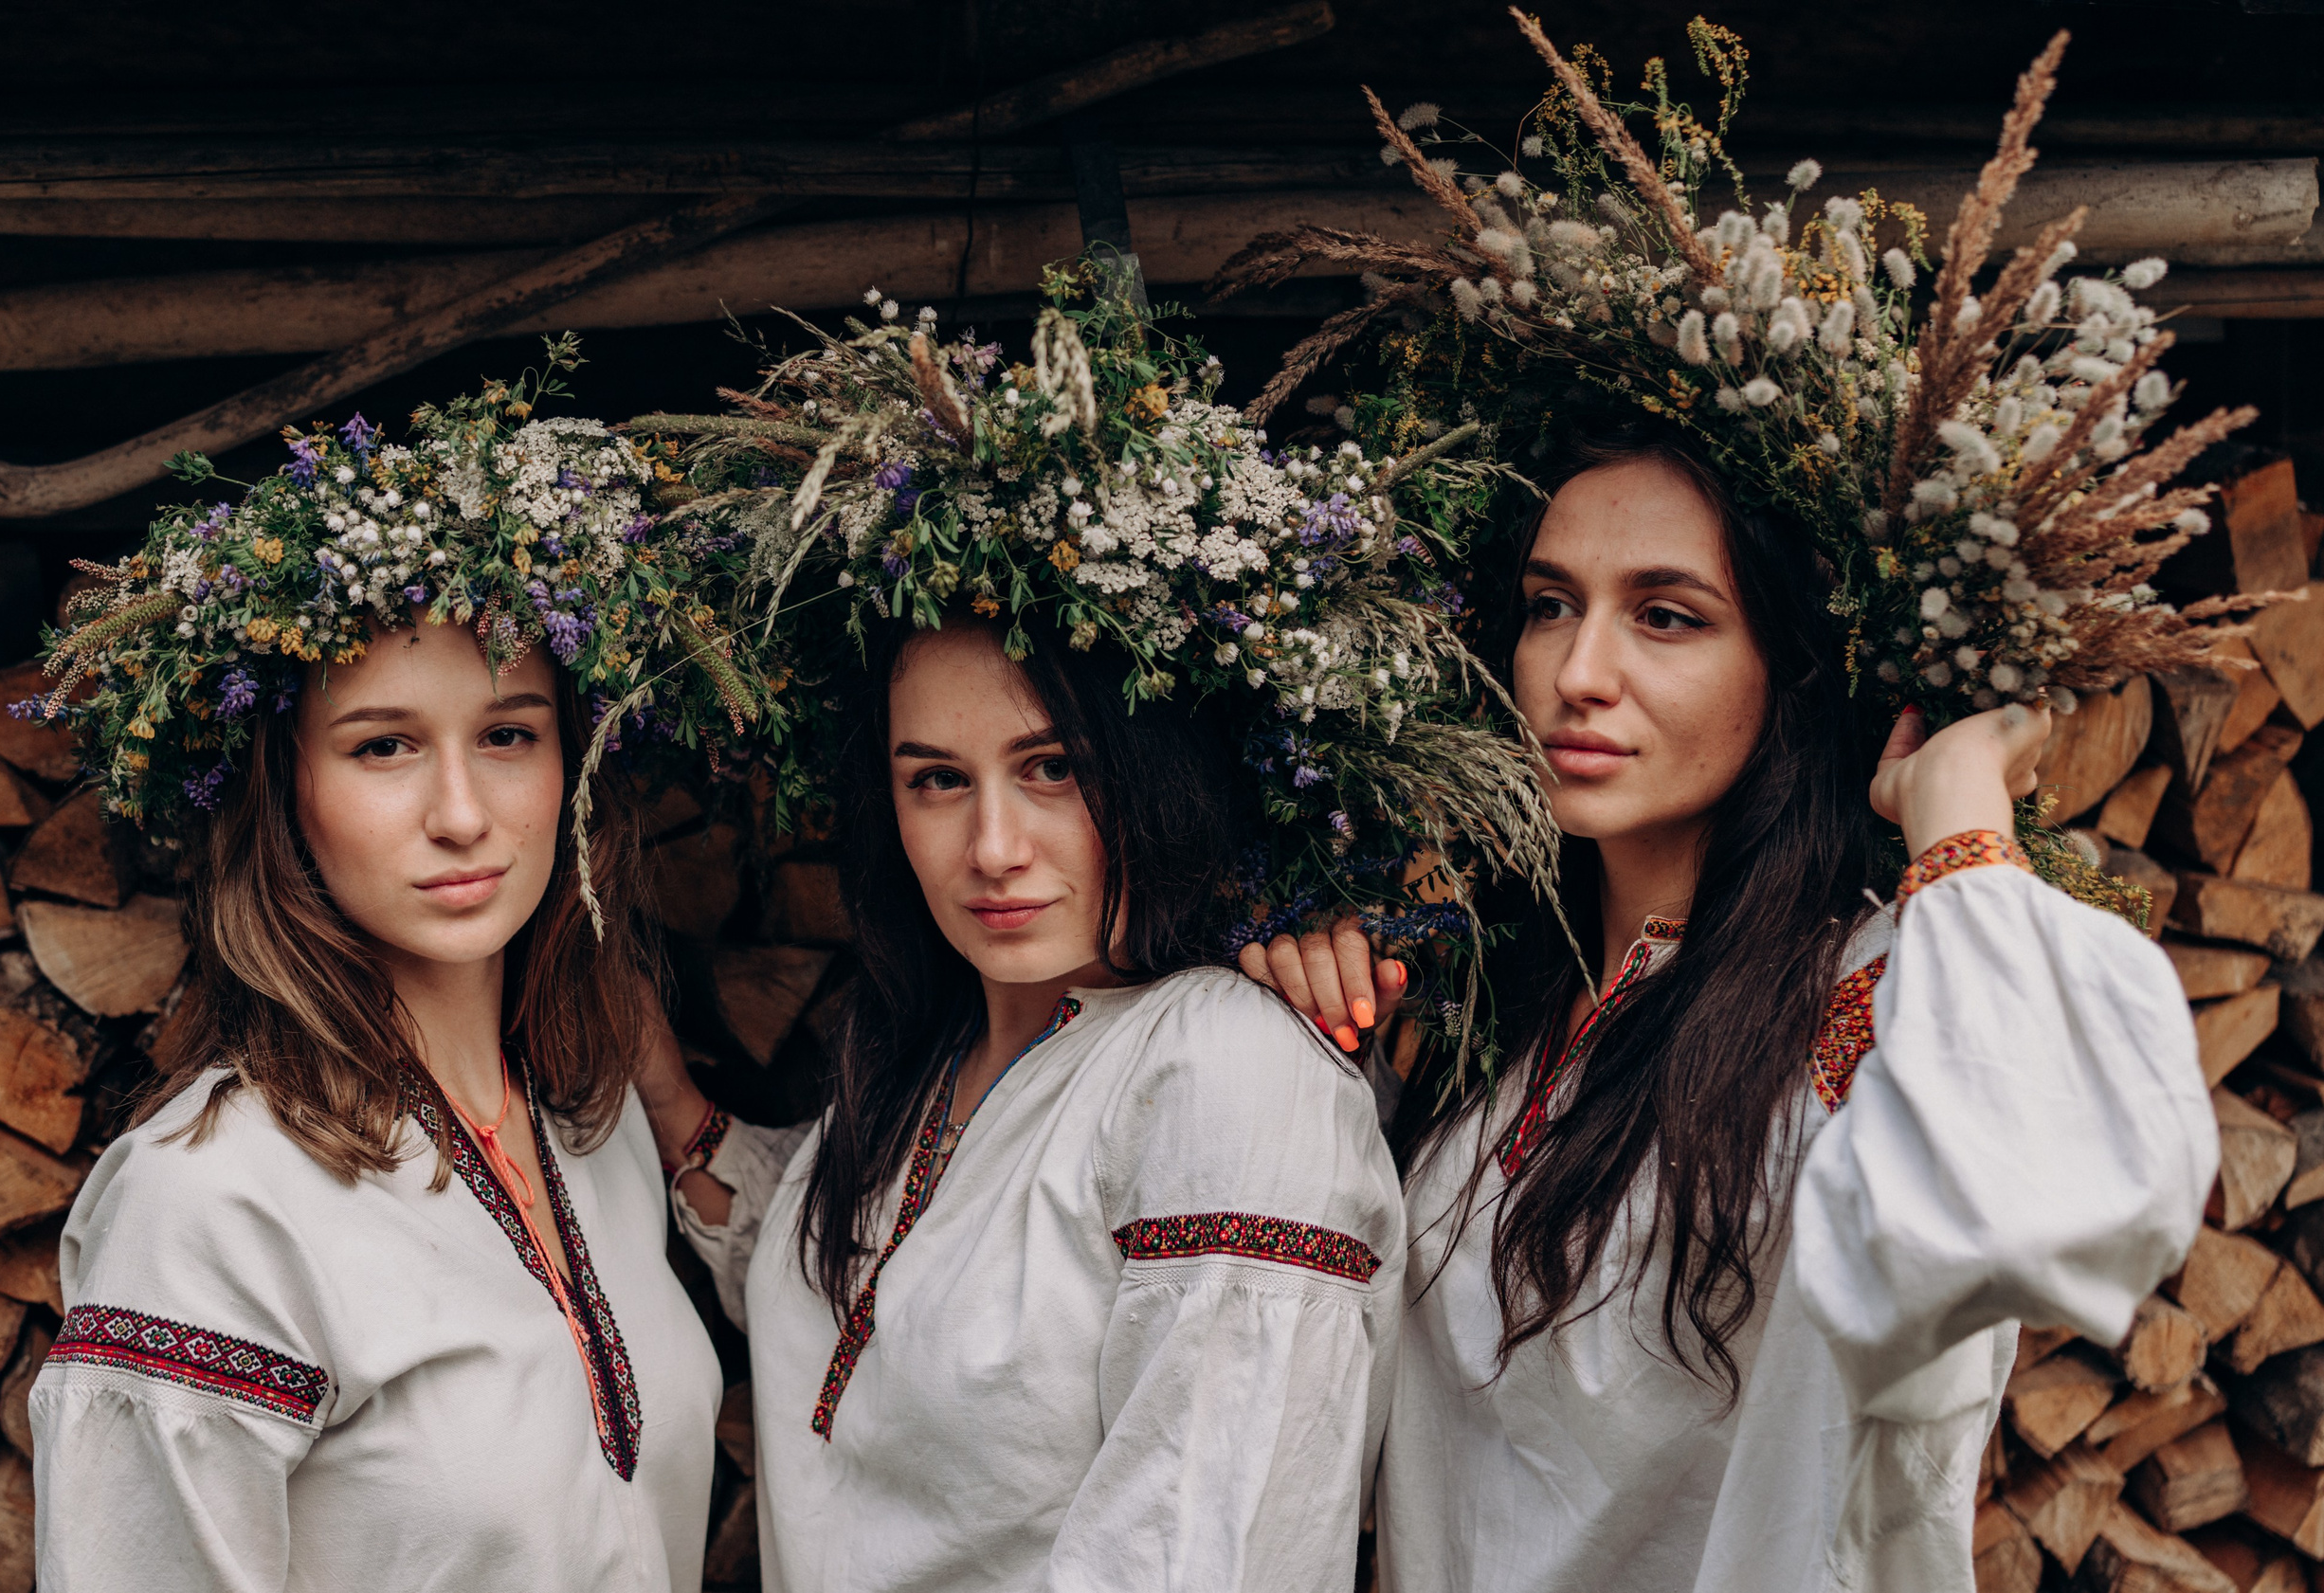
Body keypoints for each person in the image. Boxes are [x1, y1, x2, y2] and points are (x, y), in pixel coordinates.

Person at [1244, 429, 2217, 1590]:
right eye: (1550, 604)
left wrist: (1956, 807)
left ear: (1789, 664)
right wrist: (1306, 1044)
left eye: (1666, 616)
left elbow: (2068, 1196)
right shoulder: (1484, 1008)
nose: (1576, 670)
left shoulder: (1860, 995)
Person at [26, 395, 760, 1591]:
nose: (463, 813)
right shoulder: (211, 1206)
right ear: (284, 789)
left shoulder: (591, 1122)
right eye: (384, 745)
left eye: (510, 735)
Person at [641, 614, 1407, 1591]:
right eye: (937, 779)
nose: (993, 847)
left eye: (1052, 768)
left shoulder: (1227, 1065)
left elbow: (1203, 1551)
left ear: (1156, 769)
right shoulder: (932, 1056)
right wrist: (660, 1090)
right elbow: (860, 1309)